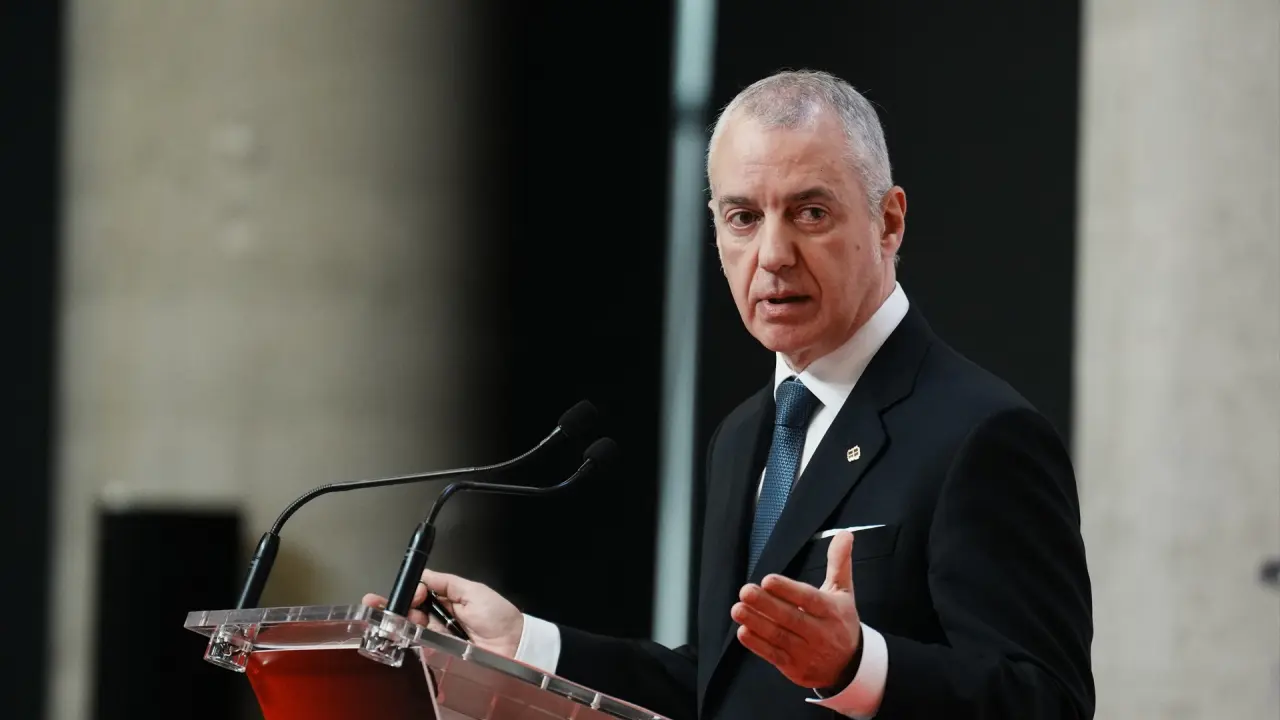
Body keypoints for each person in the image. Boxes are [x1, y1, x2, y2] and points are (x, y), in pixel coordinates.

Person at [365, 69, 1094, 719]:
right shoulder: (746, 434)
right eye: (744, 217)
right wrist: (523, 644)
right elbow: (723, 689)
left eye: (810, 213)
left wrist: (858, 667)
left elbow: (1047, 702)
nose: (773, 255)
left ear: (889, 222)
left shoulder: (982, 434)